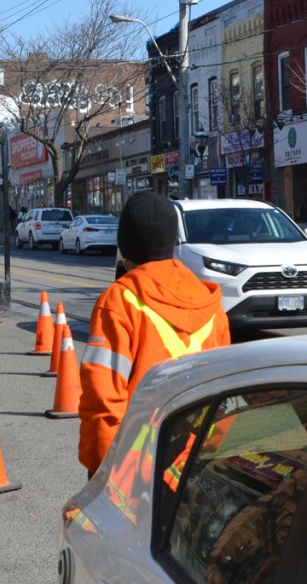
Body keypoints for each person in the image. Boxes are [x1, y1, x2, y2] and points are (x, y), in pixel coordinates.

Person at [78, 191, 231, 476]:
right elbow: (222, 392)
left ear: (123, 247)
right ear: (173, 242)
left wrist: (101, 470)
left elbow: (102, 402)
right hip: (196, 463)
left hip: (133, 468)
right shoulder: (211, 305)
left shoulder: (119, 302)